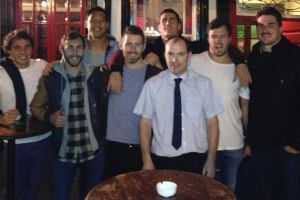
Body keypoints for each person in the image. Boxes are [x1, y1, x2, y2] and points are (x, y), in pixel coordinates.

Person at [30, 31, 108, 200]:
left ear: (84, 49)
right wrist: (49, 117)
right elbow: (35, 106)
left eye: (79, 48)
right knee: (60, 196)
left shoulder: (95, 75)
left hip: (92, 150)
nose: (74, 52)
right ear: (61, 49)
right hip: (63, 152)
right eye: (70, 48)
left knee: (91, 196)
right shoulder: (50, 76)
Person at [134, 36, 223, 177]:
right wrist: (146, 160)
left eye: (180, 54)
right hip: (162, 160)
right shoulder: (152, 85)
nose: (174, 60)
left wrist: (211, 159)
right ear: (164, 55)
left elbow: (212, 123)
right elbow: (144, 123)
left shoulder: (204, 84)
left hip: (196, 160)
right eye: (170, 54)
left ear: (189, 56)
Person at [236, 6, 300, 200]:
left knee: (289, 194)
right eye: (260, 26)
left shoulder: (296, 57)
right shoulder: (254, 55)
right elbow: (252, 104)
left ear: (281, 28)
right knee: (263, 194)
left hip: (287, 146)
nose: (264, 29)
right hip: (260, 145)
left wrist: (296, 143)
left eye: (270, 25)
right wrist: (249, 141)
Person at [109, 8, 251, 93]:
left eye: (172, 20)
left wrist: (240, 62)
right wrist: (115, 70)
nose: (168, 23)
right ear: (159, 26)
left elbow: (220, 45)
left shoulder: (193, 47)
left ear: (179, 26)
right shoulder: (149, 48)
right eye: (164, 20)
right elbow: (124, 53)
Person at [190, 18, 249, 191]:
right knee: (201, 191)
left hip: (233, 144)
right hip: (202, 143)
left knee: (229, 191)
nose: (217, 41)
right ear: (207, 38)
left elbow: (245, 106)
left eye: (222, 36)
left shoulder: (239, 68)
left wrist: (249, 139)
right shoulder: (194, 61)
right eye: (213, 36)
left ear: (230, 39)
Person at [0, 29, 52, 200]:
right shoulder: (1, 72)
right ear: (8, 50)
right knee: (14, 189)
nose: (23, 52)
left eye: (27, 47)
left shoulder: (42, 65)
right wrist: (1, 118)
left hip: (42, 139)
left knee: (35, 188)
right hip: (14, 143)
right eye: (17, 48)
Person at [105, 25, 162, 178]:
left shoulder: (154, 74)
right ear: (121, 46)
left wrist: (159, 66)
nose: (133, 48)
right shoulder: (108, 73)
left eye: (137, 44)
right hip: (112, 145)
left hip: (143, 146)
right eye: (129, 44)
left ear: (144, 46)